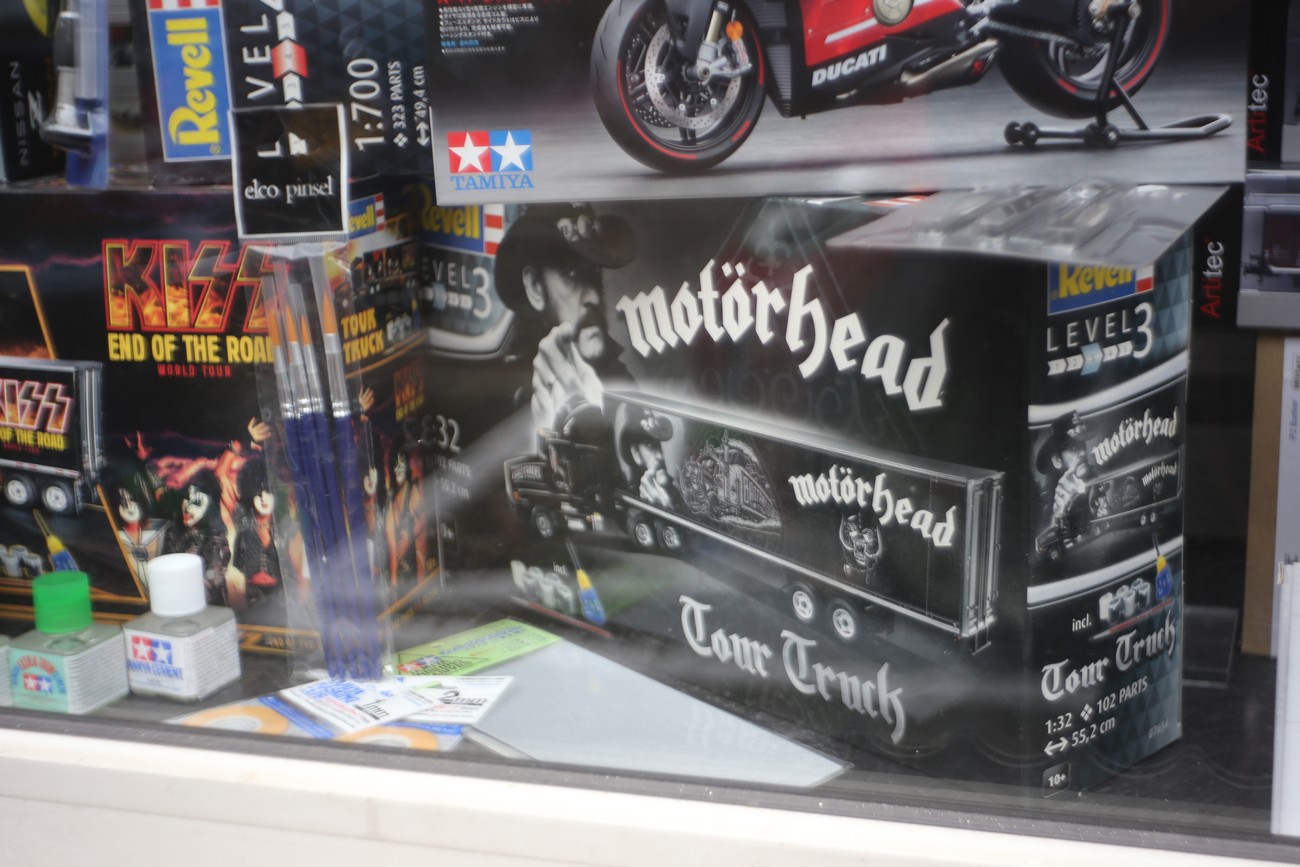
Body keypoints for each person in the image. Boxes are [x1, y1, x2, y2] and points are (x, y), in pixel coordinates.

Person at [493, 203, 637, 434]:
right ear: (535, 288)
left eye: (595, 273)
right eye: (570, 273)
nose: (594, 296)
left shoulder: (621, 381)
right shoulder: (505, 397)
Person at [1035, 410, 1094, 536]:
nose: (1083, 453)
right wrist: (1058, 514)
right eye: (1073, 448)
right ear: (1057, 460)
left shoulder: (1101, 483)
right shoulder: (1047, 507)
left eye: (1082, 445)